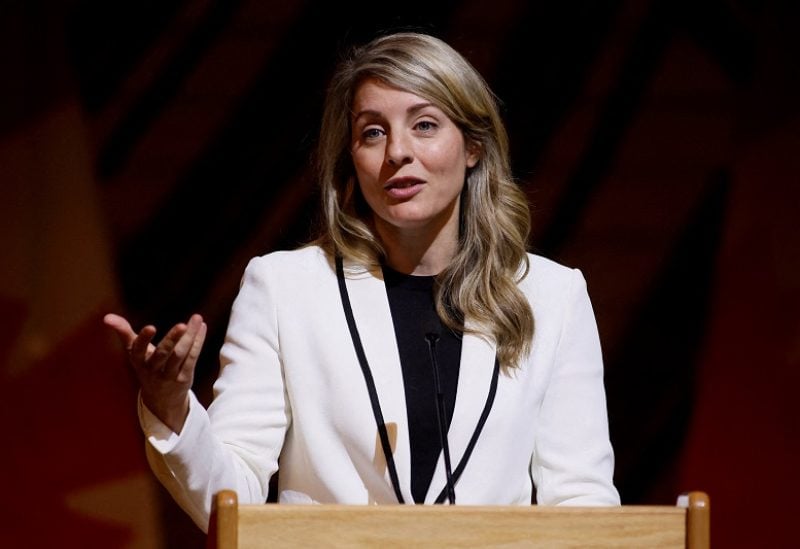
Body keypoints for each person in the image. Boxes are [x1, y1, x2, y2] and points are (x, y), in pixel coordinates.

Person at [105, 32, 620, 532]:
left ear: (474, 147)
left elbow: (583, 503)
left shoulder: (552, 297)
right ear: (350, 160)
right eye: (373, 132)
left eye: (424, 125)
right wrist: (171, 408)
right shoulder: (286, 289)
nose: (397, 151)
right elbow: (230, 500)